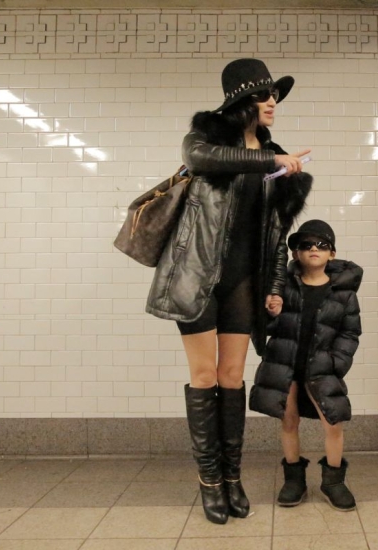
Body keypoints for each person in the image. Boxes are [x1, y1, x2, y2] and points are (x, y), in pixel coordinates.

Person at [145, 58, 312, 523]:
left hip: (243, 282)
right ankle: (209, 480)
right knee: (203, 377)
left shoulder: (274, 155)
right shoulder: (208, 140)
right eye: (264, 96)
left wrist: (275, 285)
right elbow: (200, 160)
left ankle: (233, 477)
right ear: (243, 101)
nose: (272, 103)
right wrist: (270, 160)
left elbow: (276, 236)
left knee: (231, 378)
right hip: (195, 277)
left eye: (274, 95)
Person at [249, 219, 363, 511]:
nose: (314, 248)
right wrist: (270, 312)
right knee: (289, 421)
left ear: (332, 254)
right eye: (305, 245)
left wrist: (337, 362)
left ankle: (333, 481)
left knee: (333, 422)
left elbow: (350, 333)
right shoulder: (282, 287)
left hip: (323, 368)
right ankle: (294, 479)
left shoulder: (344, 293)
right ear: (295, 254)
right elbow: (265, 328)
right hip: (285, 366)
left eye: (322, 244)